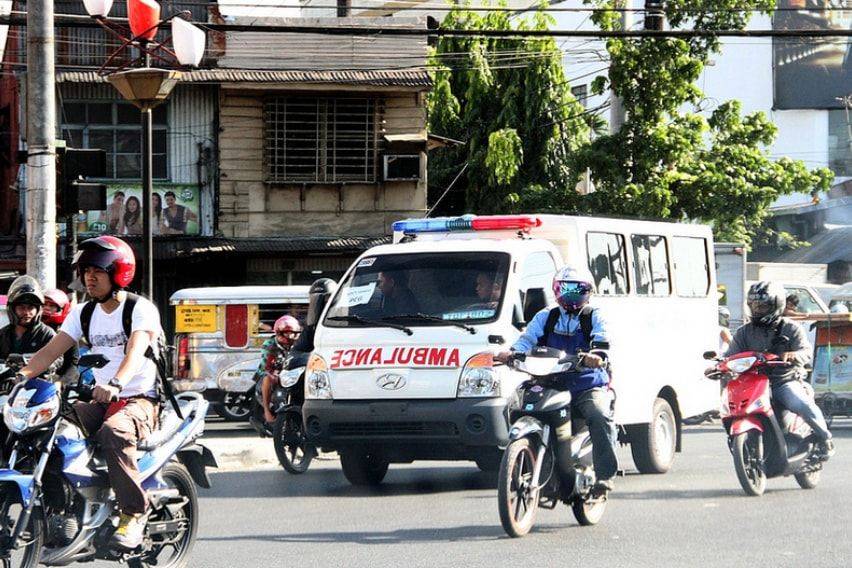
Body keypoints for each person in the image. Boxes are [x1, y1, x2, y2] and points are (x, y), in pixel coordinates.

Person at [16, 235, 164, 550]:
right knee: (47, 426)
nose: (89, 277)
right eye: (85, 271)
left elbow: (135, 353)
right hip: (97, 398)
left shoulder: (140, 309)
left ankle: (133, 514)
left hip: (138, 398)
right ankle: (63, 505)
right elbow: (49, 352)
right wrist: (19, 375)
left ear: (119, 273)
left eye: (97, 270)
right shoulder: (83, 312)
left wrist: (116, 384)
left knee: (114, 431)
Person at [496, 265, 617, 493]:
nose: (570, 295)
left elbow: (602, 342)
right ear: (556, 290)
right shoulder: (546, 316)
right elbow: (526, 339)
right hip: (550, 382)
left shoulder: (594, 316)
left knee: (599, 415)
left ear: (588, 291)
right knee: (513, 404)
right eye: (565, 289)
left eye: (577, 290)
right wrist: (511, 353)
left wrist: (597, 356)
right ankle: (524, 459)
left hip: (586, 384)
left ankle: (605, 475)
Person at [722, 281, 834, 459]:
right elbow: (730, 355)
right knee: (730, 410)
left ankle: (825, 438)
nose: (758, 310)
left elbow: (806, 352)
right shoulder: (744, 332)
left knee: (802, 405)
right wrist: (720, 365)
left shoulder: (791, 327)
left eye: (763, 306)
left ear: (776, 305)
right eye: (754, 305)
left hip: (783, 381)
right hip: (753, 384)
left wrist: (793, 355)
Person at [0, 276, 55, 370]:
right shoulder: (3, 334)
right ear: (12, 309)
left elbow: (56, 359)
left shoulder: (47, 334)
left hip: (37, 382)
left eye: (30, 307)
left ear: (38, 310)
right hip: (7, 382)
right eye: (21, 307)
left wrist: (26, 359)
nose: (26, 312)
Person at [257, 315, 301, 424]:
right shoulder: (269, 344)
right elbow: (266, 366)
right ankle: (267, 411)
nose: (289, 336)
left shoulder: (299, 343)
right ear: (278, 333)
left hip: (292, 372)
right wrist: (274, 373)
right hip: (272, 372)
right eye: (286, 333)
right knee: (267, 378)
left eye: (292, 333)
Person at [42, 288, 80, 384]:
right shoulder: (33, 329)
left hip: (54, 382)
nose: (47, 308)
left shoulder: (67, 332)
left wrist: (61, 383)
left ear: (61, 309)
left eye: (51, 306)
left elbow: (73, 365)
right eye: (44, 305)